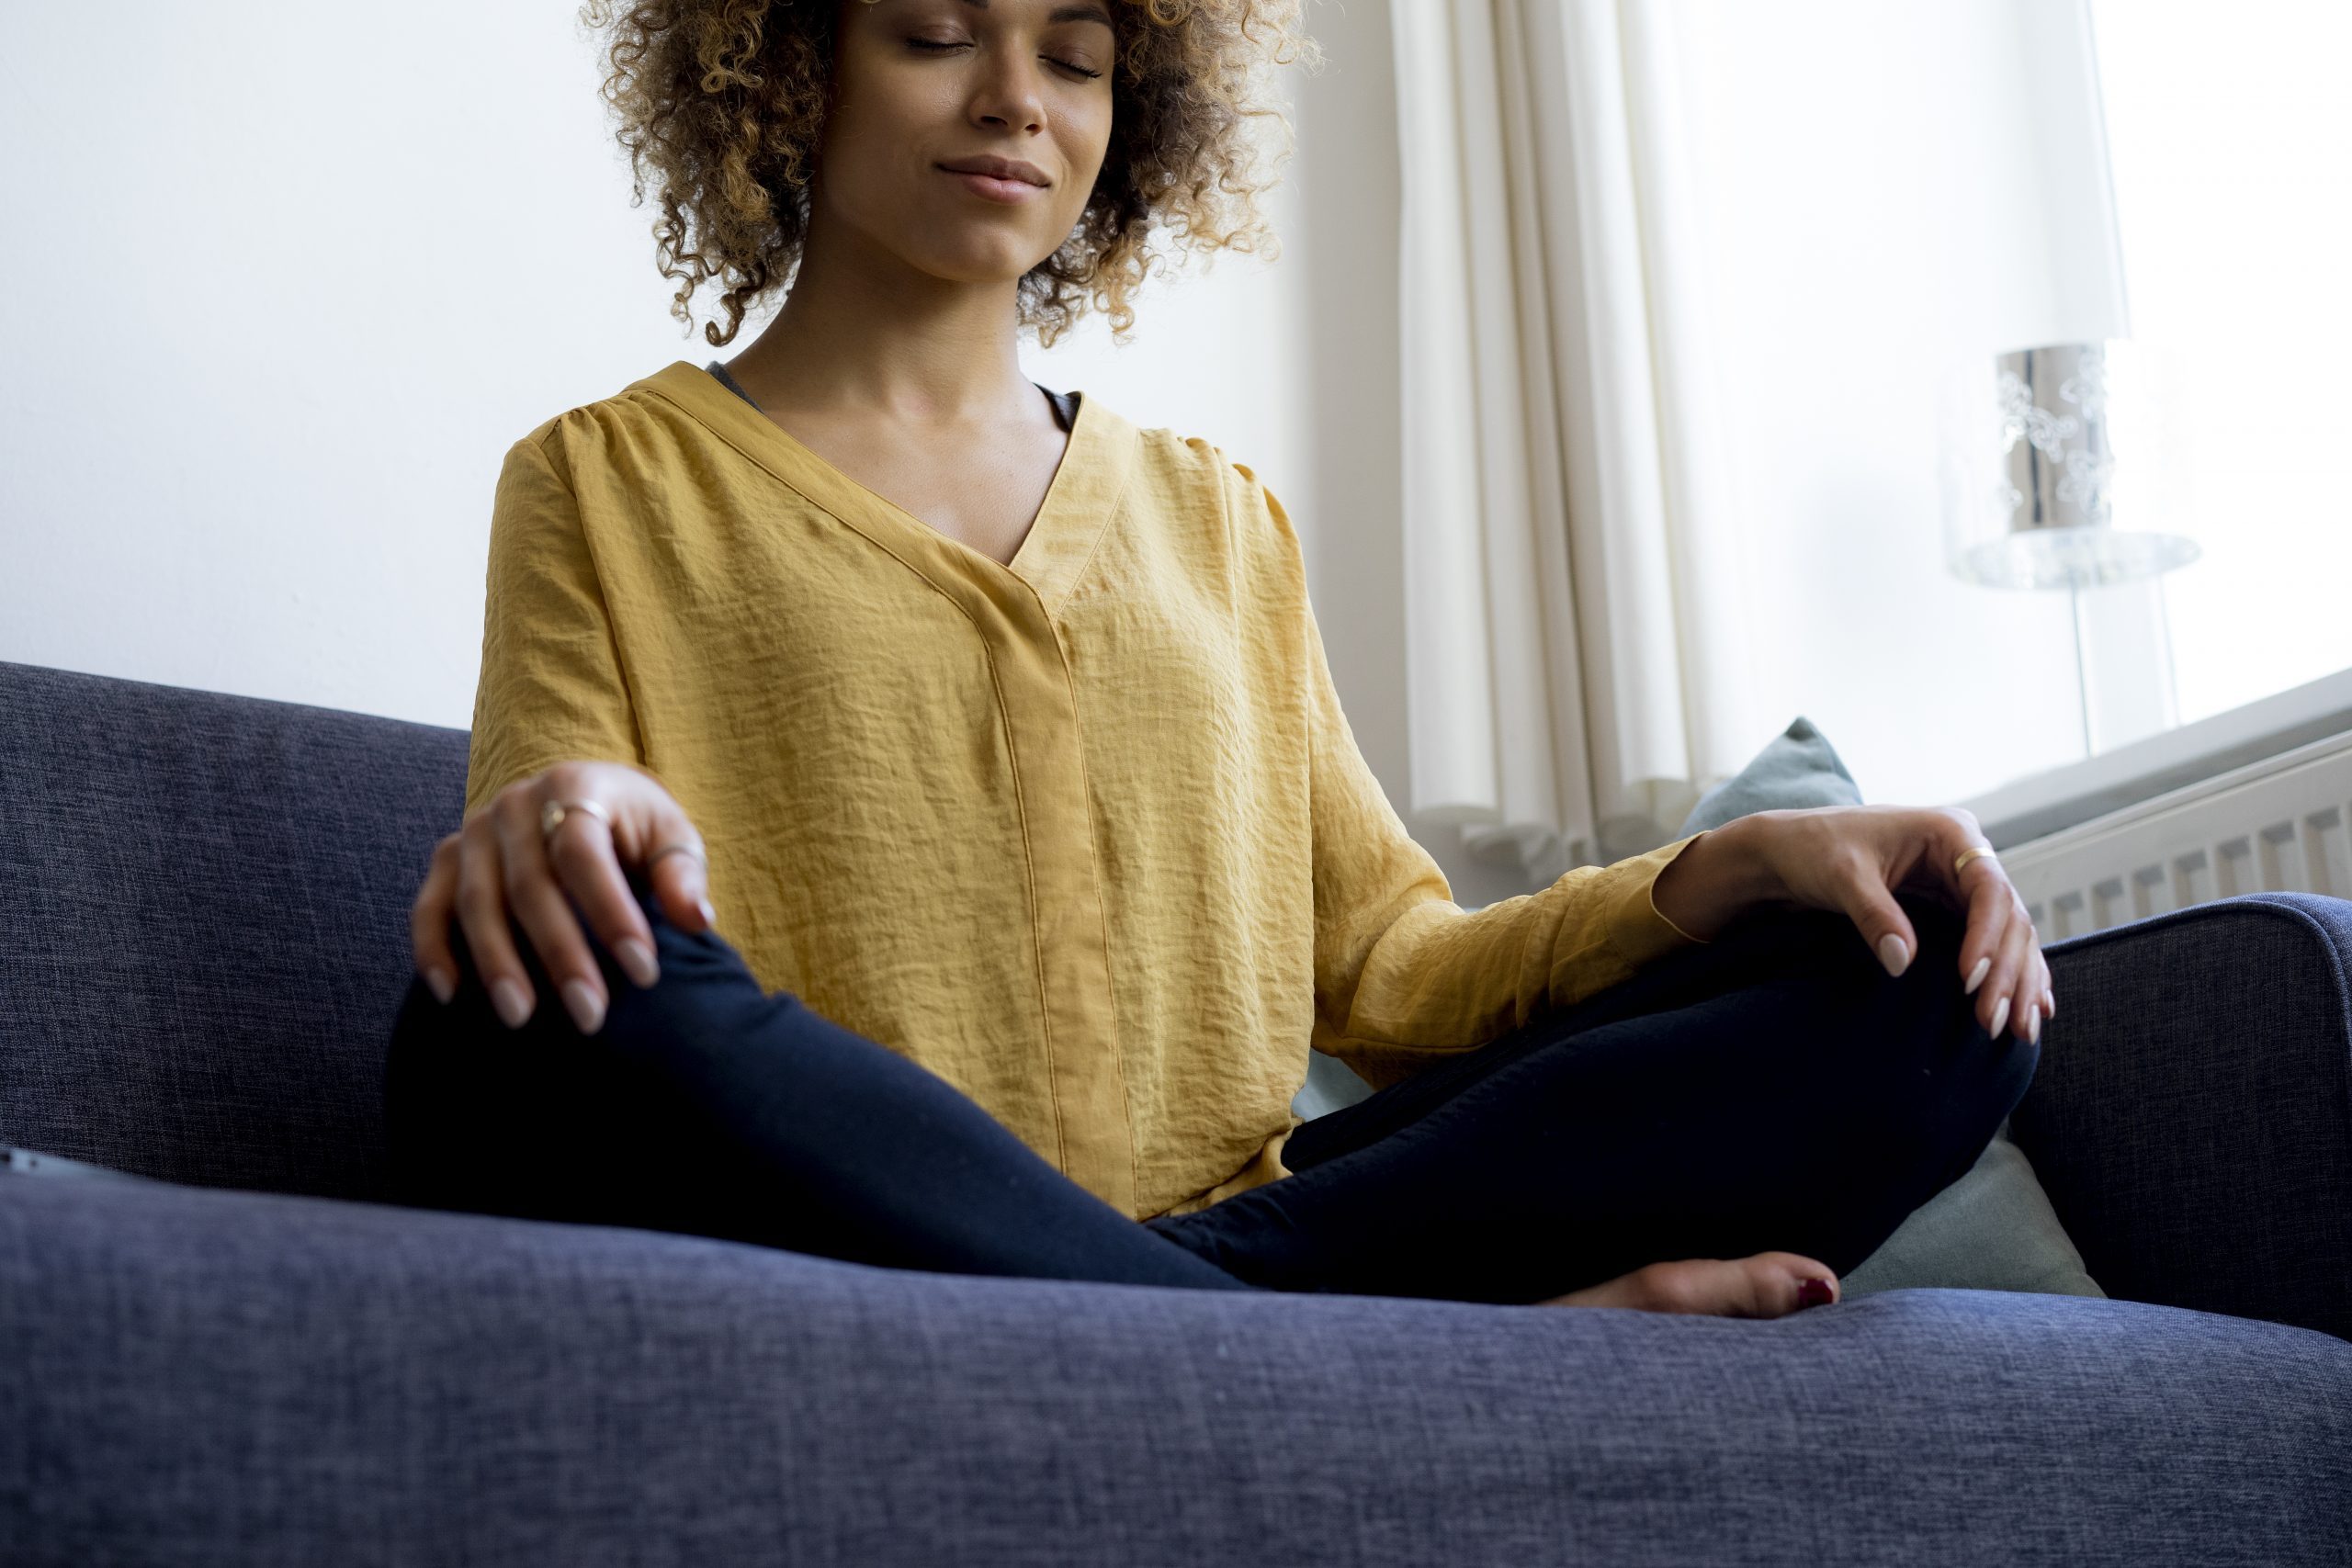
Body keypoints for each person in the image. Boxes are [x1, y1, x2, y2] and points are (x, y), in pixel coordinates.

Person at [385, 0, 2055, 1319]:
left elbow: (1399, 978)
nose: (1014, 100)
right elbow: (552, 836)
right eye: (935, 37)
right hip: (843, 1230)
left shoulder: (1220, 518)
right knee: (524, 1014)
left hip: (1275, 1220)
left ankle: (1211, 1321)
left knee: (1931, 999)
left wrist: (1732, 868)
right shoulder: (603, 478)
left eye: (1077, 56)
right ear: (785, 66)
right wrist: (573, 811)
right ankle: (1380, 1342)